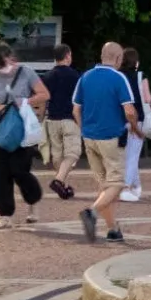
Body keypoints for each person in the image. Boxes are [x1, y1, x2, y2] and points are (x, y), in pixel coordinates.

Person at [72, 42, 139, 243]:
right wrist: (135, 128)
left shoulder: (85, 77)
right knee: (117, 184)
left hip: (89, 137)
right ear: (118, 58)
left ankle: (113, 229)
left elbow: (76, 109)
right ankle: (91, 212)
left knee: (104, 186)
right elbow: (129, 111)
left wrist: (84, 129)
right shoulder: (119, 78)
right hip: (111, 137)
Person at [0, 41, 47, 228]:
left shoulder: (26, 72)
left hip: (21, 128)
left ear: (11, 57)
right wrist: (0, 108)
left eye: (2, 62)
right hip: (1, 128)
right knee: (1, 173)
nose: (0, 67)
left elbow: (44, 94)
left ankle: (33, 200)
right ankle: (5, 215)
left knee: (19, 170)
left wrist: (25, 102)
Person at [39, 44, 83, 200]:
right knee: (73, 153)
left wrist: (41, 118)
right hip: (70, 119)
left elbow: (44, 101)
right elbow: (80, 101)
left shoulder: (47, 76)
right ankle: (58, 181)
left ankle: (62, 186)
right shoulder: (76, 76)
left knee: (57, 155)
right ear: (67, 55)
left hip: (52, 119)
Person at [118, 48, 151, 202]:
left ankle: (136, 186)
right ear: (136, 62)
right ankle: (126, 187)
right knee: (133, 155)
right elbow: (147, 98)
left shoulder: (118, 75)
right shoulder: (141, 75)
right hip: (137, 119)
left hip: (120, 119)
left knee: (127, 155)